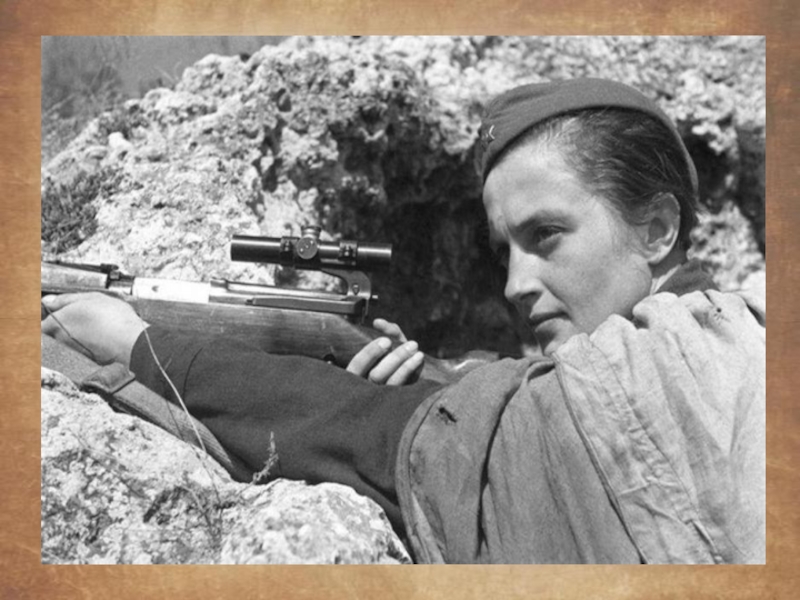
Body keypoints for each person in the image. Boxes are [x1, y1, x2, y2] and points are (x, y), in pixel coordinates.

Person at [42, 78, 765, 564]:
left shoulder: (672, 364)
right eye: (503, 251)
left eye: (546, 235)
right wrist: (439, 382)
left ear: (657, 229)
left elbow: (373, 436)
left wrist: (136, 342)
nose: (515, 284)